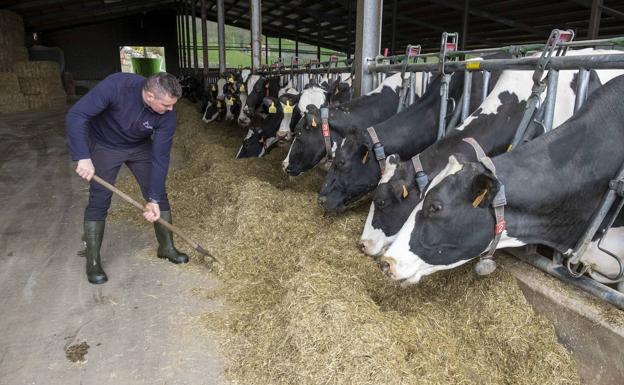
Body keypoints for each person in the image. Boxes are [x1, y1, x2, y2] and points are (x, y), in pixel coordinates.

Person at [66, 71, 188, 285]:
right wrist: (83, 156)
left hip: (139, 147)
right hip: (105, 145)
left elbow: (160, 158)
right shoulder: (116, 86)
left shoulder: (168, 116)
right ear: (150, 96)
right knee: (99, 200)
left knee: (159, 194)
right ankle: (93, 261)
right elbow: (77, 115)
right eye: (166, 105)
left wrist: (154, 199)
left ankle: (166, 247)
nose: (171, 110)